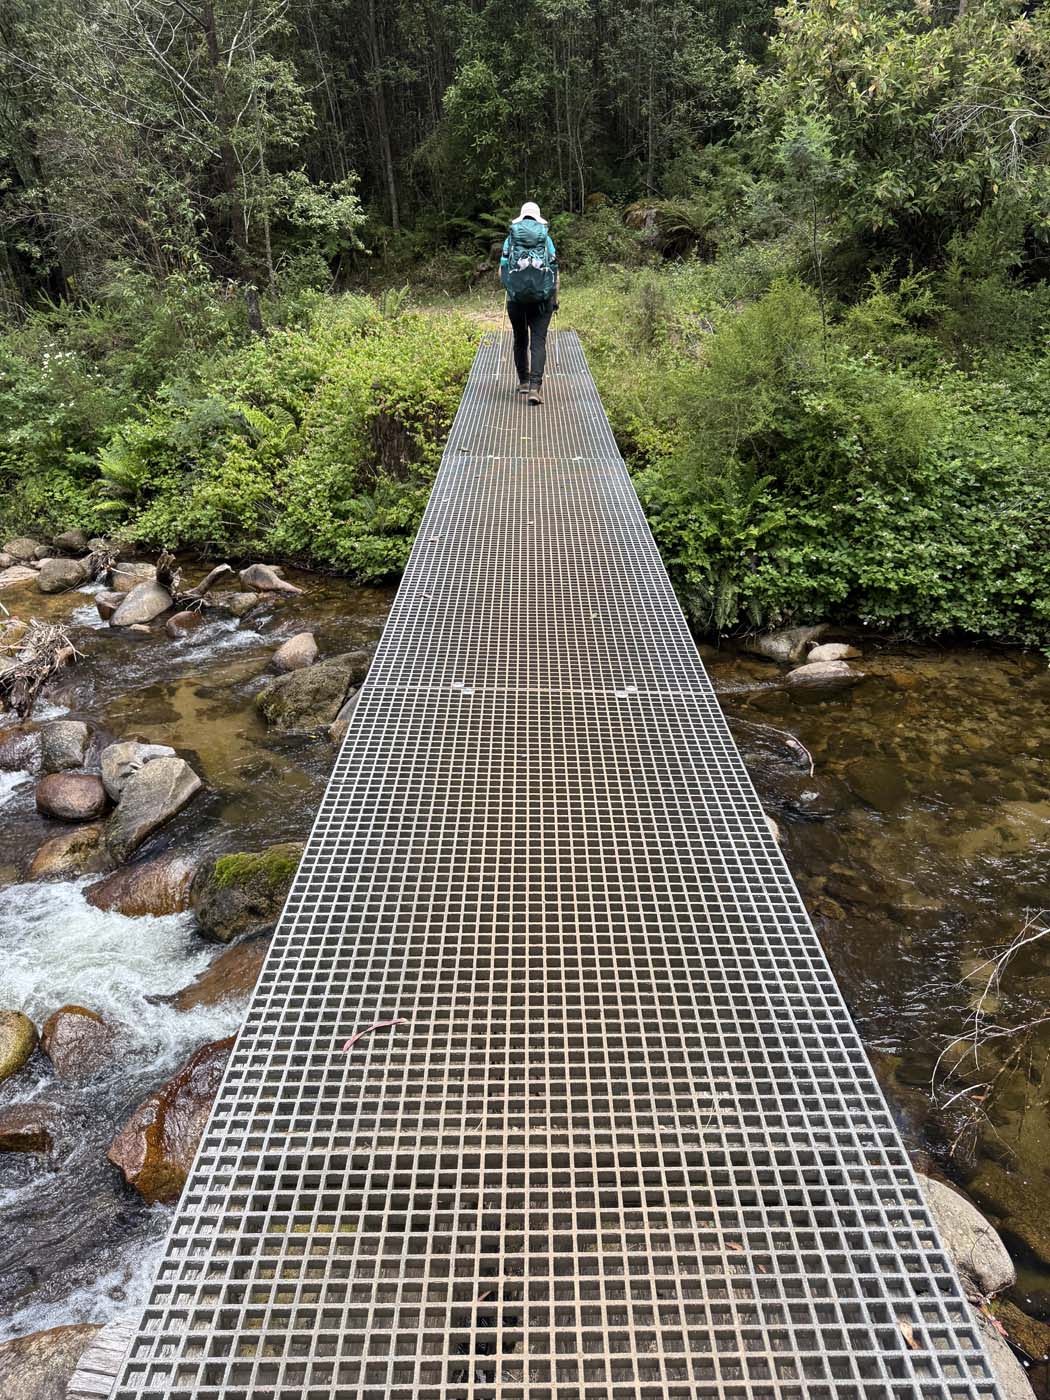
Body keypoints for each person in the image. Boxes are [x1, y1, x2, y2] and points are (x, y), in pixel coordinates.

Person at [499, 201, 559, 405]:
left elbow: (502, 270)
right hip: (542, 299)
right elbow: (554, 272)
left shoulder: (510, 240)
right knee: (538, 341)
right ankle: (535, 388)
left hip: (516, 299)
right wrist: (555, 298)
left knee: (520, 339)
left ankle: (523, 382)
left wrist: (510, 289)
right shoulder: (546, 239)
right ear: (538, 218)